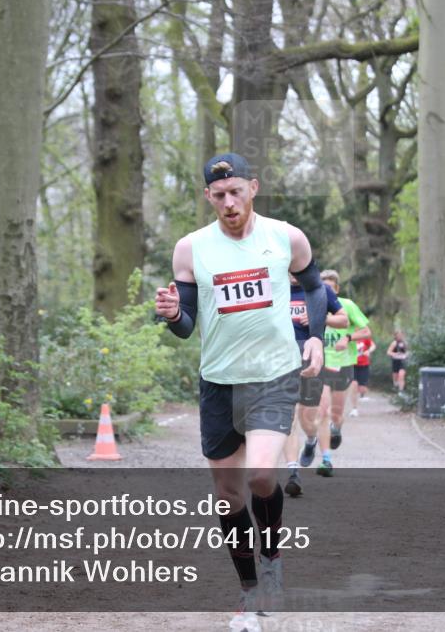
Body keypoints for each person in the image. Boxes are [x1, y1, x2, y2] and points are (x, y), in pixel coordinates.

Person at [154, 153, 327, 629]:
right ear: (208, 197)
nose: (229, 203)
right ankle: (250, 592)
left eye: (236, 192)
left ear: (253, 187)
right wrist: (172, 314)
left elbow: (314, 289)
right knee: (228, 495)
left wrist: (312, 335)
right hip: (218, 383)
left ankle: (270, 563)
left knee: (261, 476)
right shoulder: (191, 249)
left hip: (273, 376)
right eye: (219, 195)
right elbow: (186, 325)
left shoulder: (285, 237)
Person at [283, 274, 348, 498]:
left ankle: (311, 440)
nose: (292, 272)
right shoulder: (274, 287)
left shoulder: (319, 289)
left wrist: (318, 319)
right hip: (281, 361)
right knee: (288, 418)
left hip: (311, 359)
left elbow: (343, 320)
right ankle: (293, 472)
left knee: (308, 417)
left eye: (295, 266)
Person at [314, 270, 371, 476]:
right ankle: (325, 458)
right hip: (321, 365)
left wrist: (347, 339)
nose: (326, 290)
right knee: (323, 410)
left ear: (336, 289)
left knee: (337, 414)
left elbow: (366, 331)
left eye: (330, 287)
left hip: (344, 365)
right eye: (323, 287)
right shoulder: (314, 305)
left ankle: (335, 430)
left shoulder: (347, 306)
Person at [353, 336, 375, 403]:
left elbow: (373, 345)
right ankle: (354, 397)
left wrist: (368, 351)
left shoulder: (364, 338)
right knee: (354, 382)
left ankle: (362, 396)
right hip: (352, 364)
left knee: (363, 382)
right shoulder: (350, 337)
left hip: (364, 364)